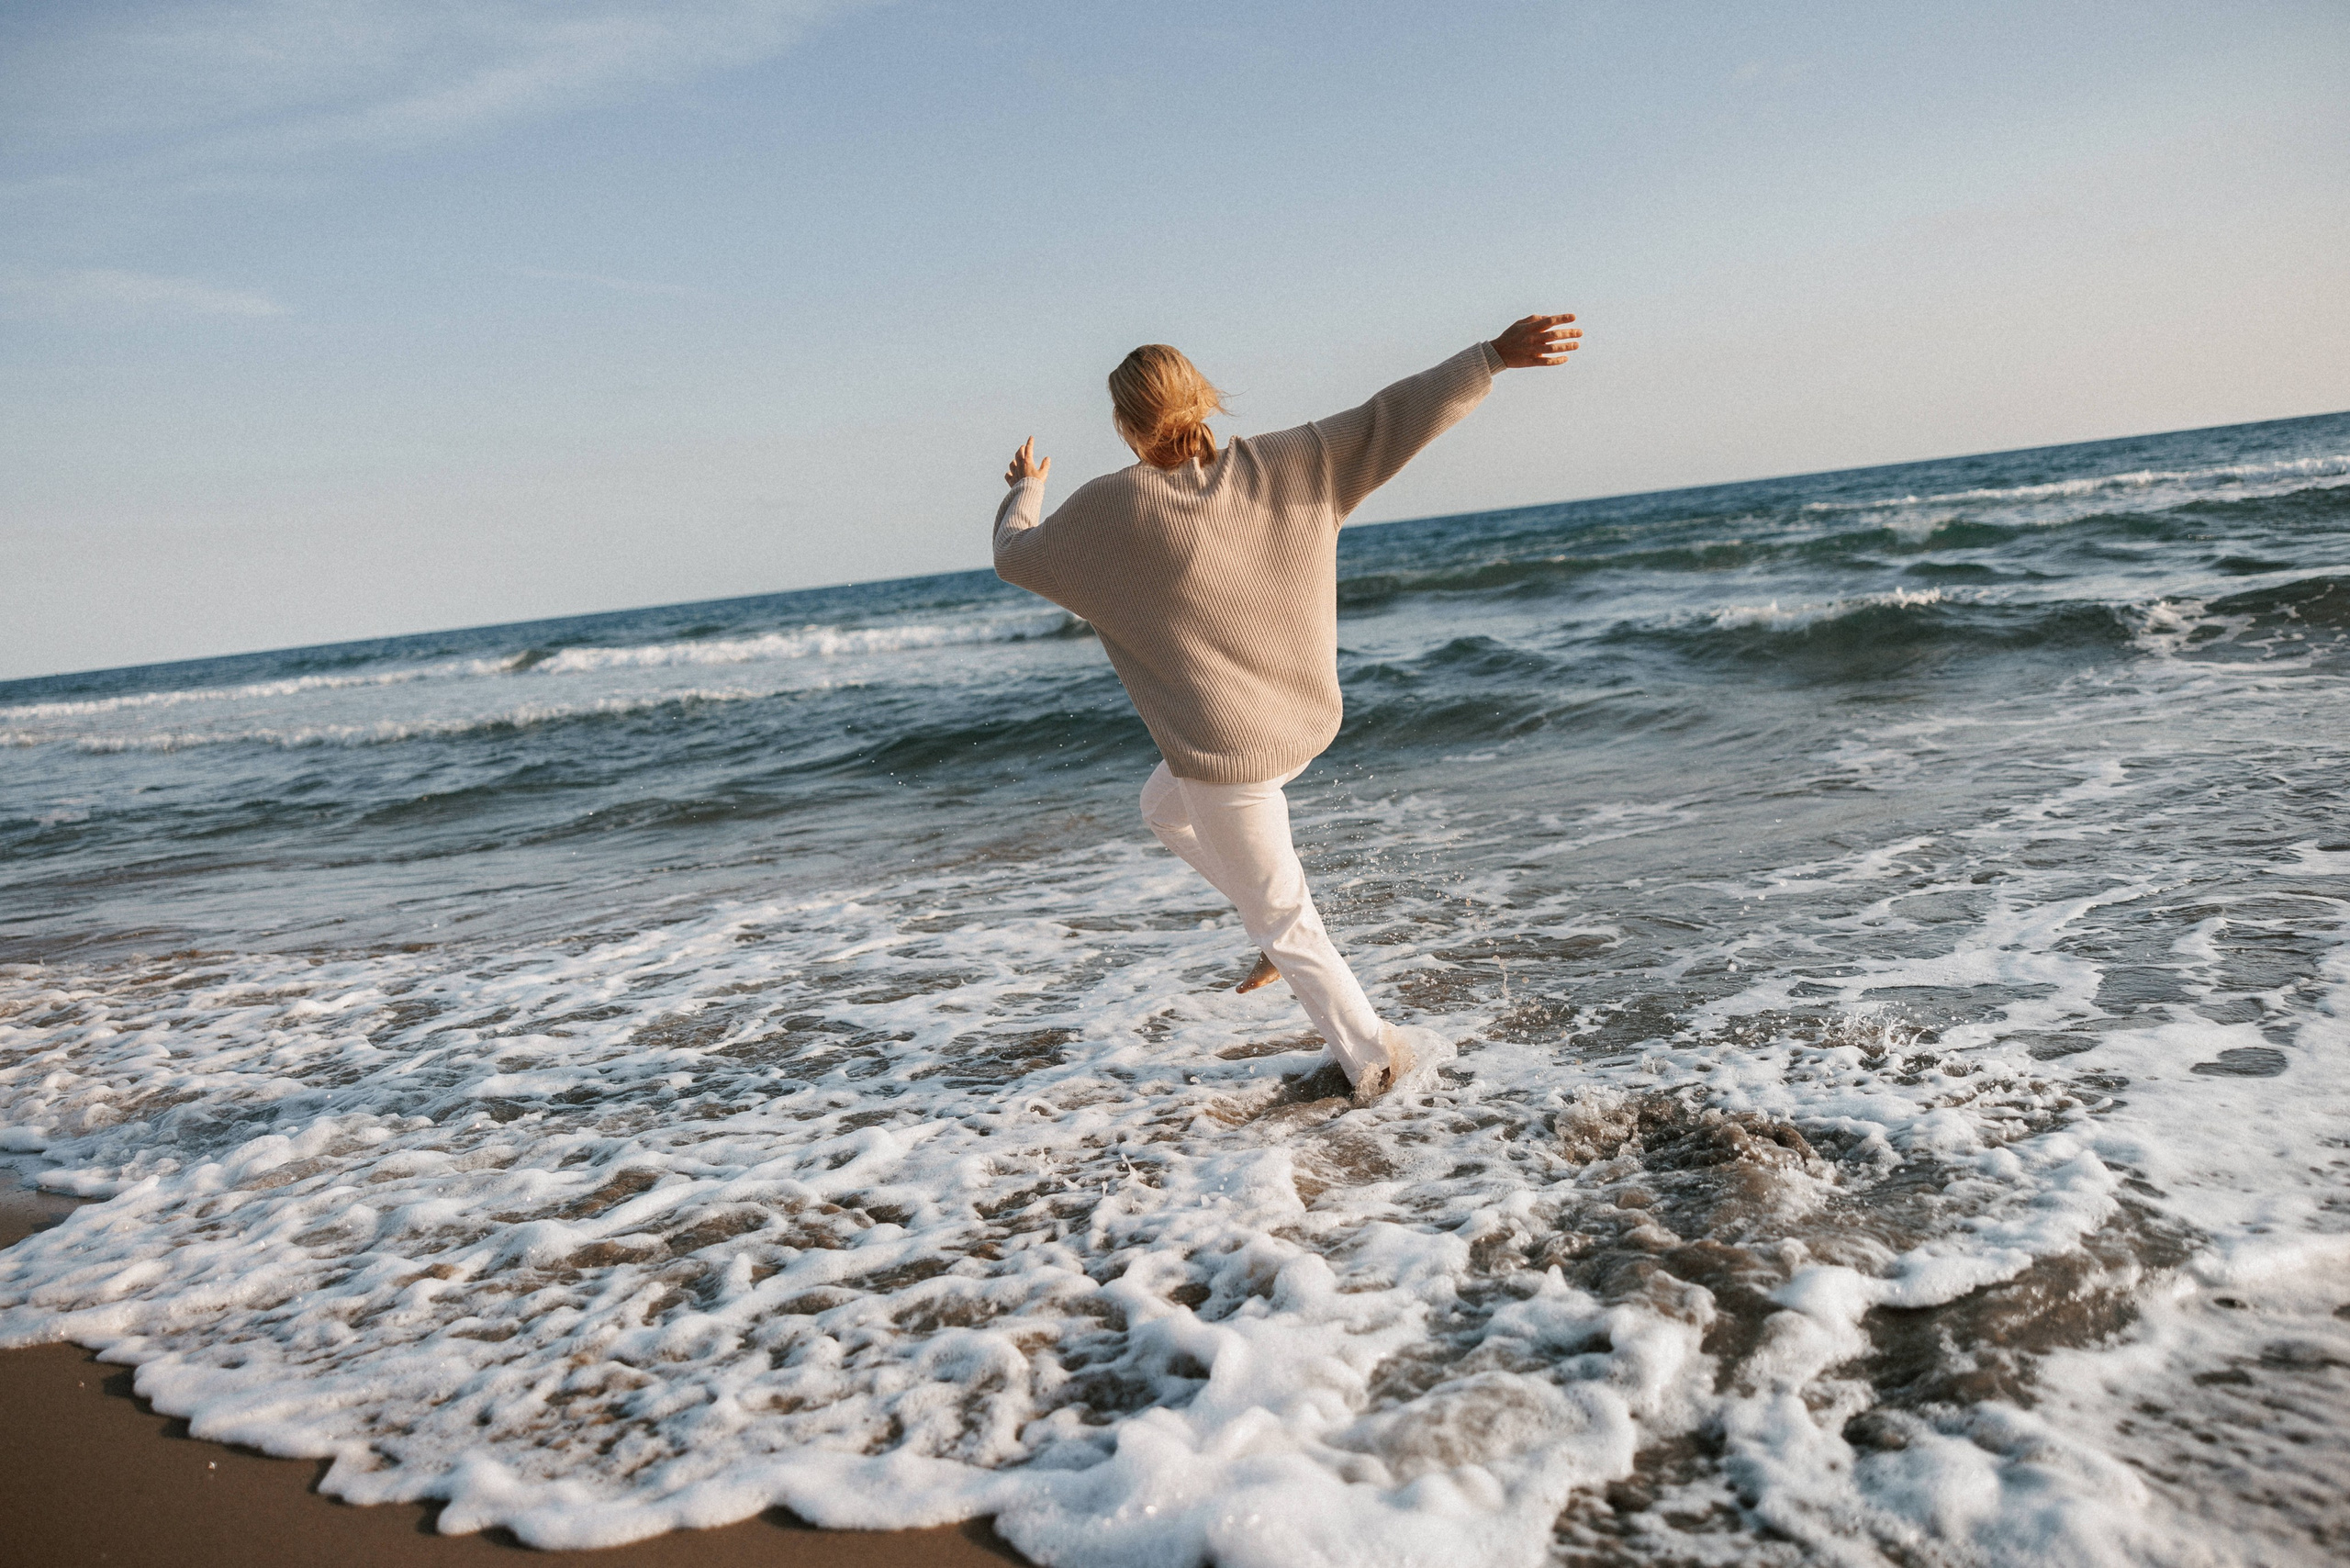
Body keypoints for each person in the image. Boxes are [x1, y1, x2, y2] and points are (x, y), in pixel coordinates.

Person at [992, 314, 1583, 1103]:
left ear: (1126, 426)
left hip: (1228, 756)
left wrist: (1026, 488)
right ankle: (1271, 927)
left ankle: (1375, 1062)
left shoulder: (1111, 508)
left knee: (1287, 922)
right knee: (1162, 811)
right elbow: (1393, 416)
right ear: (1202, 398)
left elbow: (1013, 555)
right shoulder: (1287, 462)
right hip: (1298, 722)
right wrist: (1493, 358)